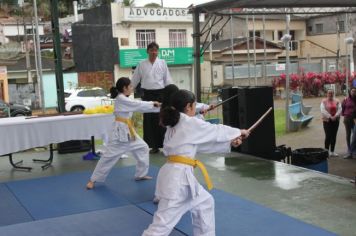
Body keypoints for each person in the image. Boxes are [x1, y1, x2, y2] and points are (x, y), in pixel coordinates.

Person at [142, 89, 249, 236]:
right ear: (188, 106)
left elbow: (198, 145)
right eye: (194, 105)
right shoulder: (188, 123)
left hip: (176, 176)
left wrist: (230, 143)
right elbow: (215, 130)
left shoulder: (175, 123)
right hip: (178, 180)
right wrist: (239, 132)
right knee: (161, 225)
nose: (195, 108)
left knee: (205, 203)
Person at [86, 77, 161, 190]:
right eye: (130, 86)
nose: (132, 88)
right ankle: (93, 180)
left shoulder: (125, 99)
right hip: (119, 134)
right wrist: (153, 104)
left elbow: (139, 107)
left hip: (129, 131)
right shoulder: (121, 99)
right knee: (108, 157)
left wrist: (156, 106)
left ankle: (140, 174)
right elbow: (138, 105)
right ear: (124, 88)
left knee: (143, 148)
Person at [131, 42, 173, 154]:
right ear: (147, 51)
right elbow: (135, 80)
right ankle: (153, 146)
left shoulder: (162, 63)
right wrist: (127, 91)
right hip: (147, 95)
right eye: (152, 50)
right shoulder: (141, 64)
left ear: (158, 51)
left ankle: (166, 146)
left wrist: (172, 93)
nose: (154, 52)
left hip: (160, 95)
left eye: (156, 50)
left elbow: (167, 80)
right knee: (149, 121)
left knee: (162, 120)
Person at [320, 89, 342, 157]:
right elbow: (322, 110)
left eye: (332, 93)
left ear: (333, 94)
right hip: (327, 121)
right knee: (328, 136)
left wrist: (335, 116)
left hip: (335, 121)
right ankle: (326, 152)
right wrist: (330, 116)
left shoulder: (337, 101)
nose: (330, 94)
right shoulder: (323, 101)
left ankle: (332, 151)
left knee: (334, 136)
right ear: (327, 94)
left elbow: (340, 109)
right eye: (329, 93)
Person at [341, 87, 356, 158]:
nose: (353, 93)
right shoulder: (346, 99)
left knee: (355, 136)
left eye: (355, 91)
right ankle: (349, 151)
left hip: (355, 120)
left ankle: (352, 151)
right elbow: (342, 107)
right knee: (348, 135)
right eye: (352, 91)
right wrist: (345, 114)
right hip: (347, 119)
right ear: (350, 92)